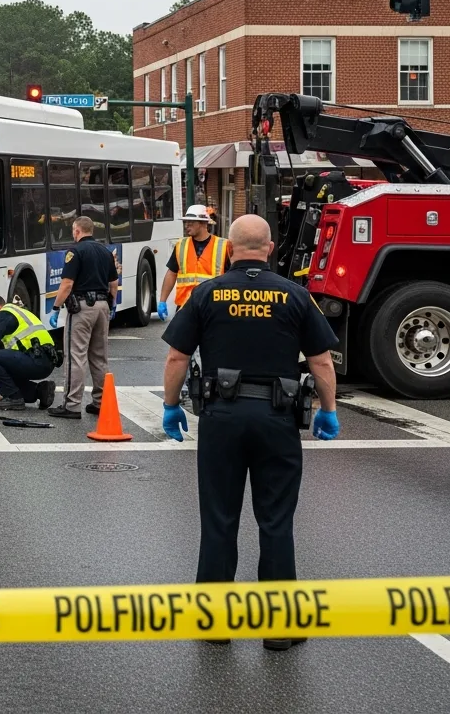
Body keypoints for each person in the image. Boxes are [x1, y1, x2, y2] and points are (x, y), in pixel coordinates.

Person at [159, 214, 341, 651]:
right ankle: (278, 627)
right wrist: (328, 410)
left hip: (221, 419)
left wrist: (170, 406)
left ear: (230, 248)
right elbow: (321, 361)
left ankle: (213, 622)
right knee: (275, 520)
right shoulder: (295, 295)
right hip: (277, 419)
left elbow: (177, 358)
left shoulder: (207, 293)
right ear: (271, 248)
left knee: (218, 519)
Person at [47, 216, 119, 419]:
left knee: (75, 356)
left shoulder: (75, 251)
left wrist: (56, 307)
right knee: (99, 356)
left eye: (73, 230)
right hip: (103, 306)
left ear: (77, 231)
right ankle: (100, 402)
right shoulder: (105, 252)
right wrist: (111, 305)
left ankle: (71, 405)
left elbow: (67, 284)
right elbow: (114, 283)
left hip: (82, 308)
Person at [156, 204, 231, 321]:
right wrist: (162, 301)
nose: (187, 225)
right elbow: (172, 273)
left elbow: (232, 277)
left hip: (213, 306)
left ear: (203, 223)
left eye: (191, 222)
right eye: (186, 222)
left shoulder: (223, 246)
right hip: (185, 306)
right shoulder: (181, 245)